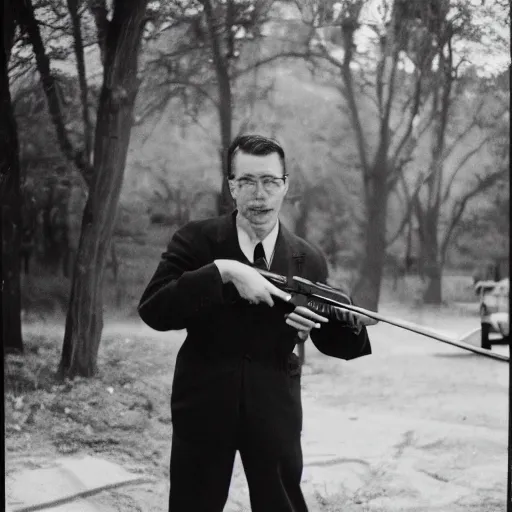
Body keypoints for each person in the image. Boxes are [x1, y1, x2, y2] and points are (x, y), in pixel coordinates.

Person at [138, 134, 374, 512]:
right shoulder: (196, 241)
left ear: (285, 186)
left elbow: (333, 342)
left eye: (269, 181)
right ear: (231, 186)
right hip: (203, 401)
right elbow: (154, 309)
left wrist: (345, 324)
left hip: (275, 403)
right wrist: (223, 271)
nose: (258, 194)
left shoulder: (307, 257)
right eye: (246, 181)